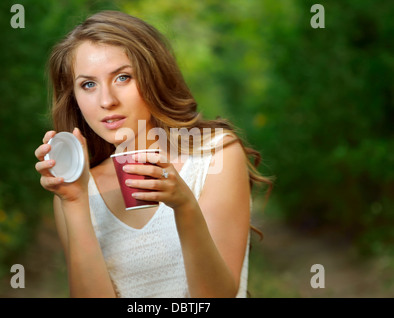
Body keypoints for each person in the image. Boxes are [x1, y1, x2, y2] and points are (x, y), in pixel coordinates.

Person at [34, 10, 271, 298]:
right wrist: (74, 203)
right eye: (88, 84)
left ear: (153, 76)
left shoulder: (215, 155)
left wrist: (185, 206)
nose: (107, 100)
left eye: (122, 77)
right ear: (74, 96)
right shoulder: (76, 190)